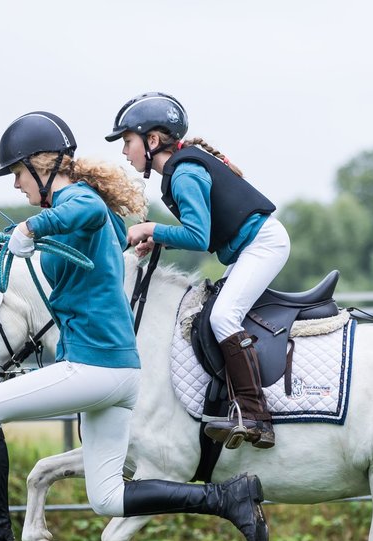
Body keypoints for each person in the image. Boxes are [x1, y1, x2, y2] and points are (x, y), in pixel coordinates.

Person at [0, 110, 269, 541]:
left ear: (43, 165)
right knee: (107, 498)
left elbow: (80, 208)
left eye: (18, 173)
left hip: (95, 366)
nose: (15, 186)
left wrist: (30, 228)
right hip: (117, 371)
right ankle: (228, 499)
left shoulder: (82, 202)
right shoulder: (80, 215)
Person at [107, 92, 290, 450]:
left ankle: (256, 415)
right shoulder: (181, 170)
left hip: (263, 244)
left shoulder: (184, 173)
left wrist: (150, 230)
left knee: (223, 318)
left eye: (127, 141)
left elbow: (197, 235)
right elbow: (201, 234)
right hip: (251, 247)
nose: (124, 152)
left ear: (153, 140)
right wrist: (159, 239)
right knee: (216, 316)